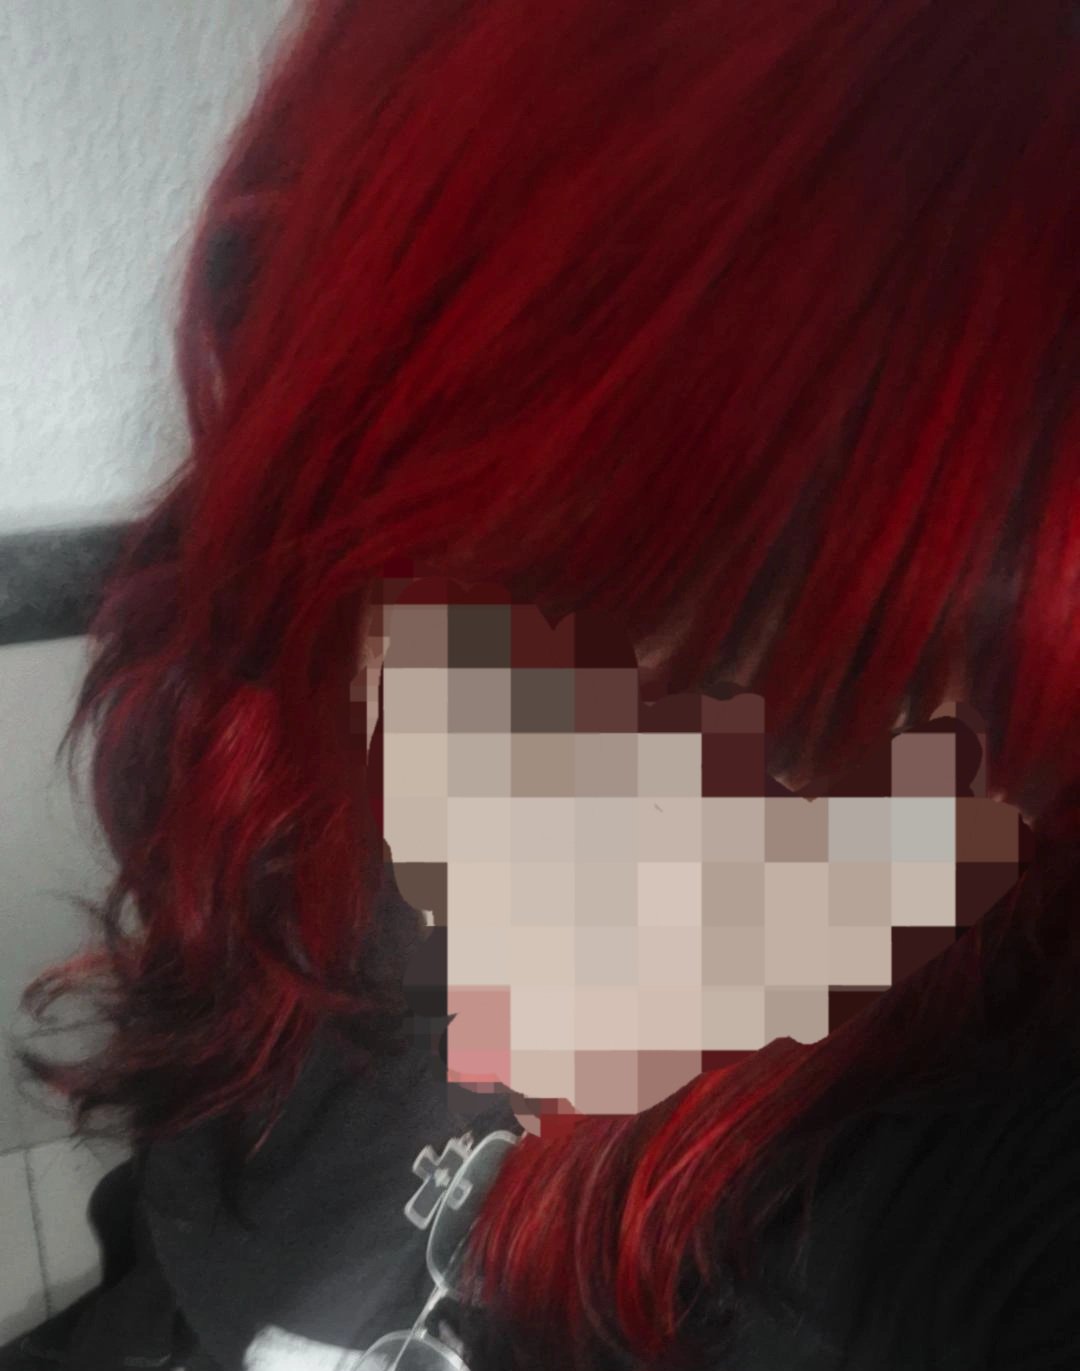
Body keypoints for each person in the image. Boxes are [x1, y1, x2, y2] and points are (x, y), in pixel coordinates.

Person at [5, 0, 1080, 1367]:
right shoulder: (293, 795)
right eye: (589, 636)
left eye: (949, 762)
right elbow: (171, 1277)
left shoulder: (958, 1191)